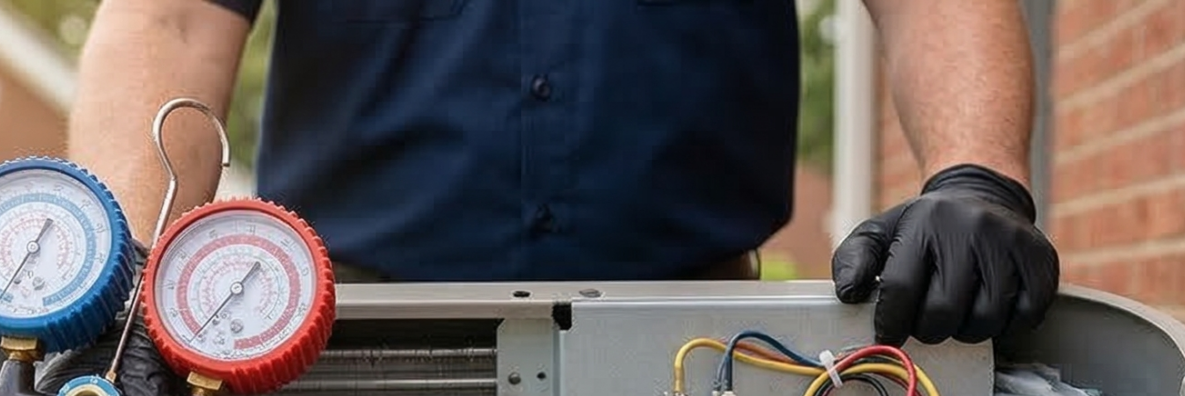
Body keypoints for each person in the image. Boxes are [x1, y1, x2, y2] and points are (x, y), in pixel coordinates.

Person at [68, 0, 1060, 349]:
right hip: (347, 350)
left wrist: (976, 177)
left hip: (703, 354)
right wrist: (126, 276)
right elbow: (170, 19)